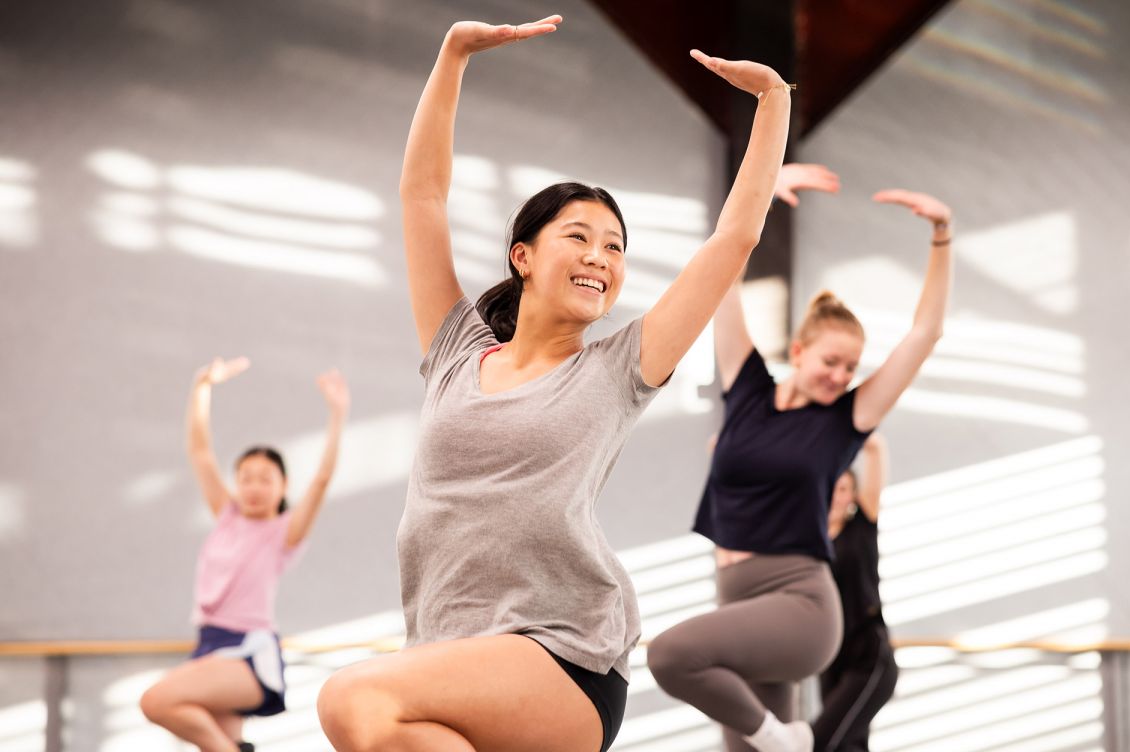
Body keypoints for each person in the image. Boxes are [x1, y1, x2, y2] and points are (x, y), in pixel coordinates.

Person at [315, 13, 793, 752]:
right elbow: (422, 199)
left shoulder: (616, 370)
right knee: (374, 724)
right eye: (578, 236)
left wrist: (774, 106)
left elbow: (735, 239)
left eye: (615, 247)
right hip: (447, 654)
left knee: (352, 696)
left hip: (562, 658)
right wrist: (452, 58)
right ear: (524, 256)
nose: (601, 256)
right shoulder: (455, 352)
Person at [646, 163, 953, 752]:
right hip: (736, 597)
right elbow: (719, 277)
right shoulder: (748, 390)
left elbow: (925, 334)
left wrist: (942, 236)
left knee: (672, 655)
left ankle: (791, 741)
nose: (842, 376)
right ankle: (782, 741)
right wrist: (756, 198)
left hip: (800, 605)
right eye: (830, 361)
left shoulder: (845, 421)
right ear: (799, 349)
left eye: (851, 367)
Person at [140, 357, 349, 752]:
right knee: (216, 741)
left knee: (157, 701)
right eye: (246, 478)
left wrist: (337, 414)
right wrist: (202, 387)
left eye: (265, 479)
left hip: (249, 653)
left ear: (283, 485)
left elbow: (321, 480)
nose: (254, 487)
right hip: (208, 642)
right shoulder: (227, 516)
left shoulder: (283, 533)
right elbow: (201, 453)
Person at [814, 433, 897, 751]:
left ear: (852, 496)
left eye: (844, 488)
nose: (836, 495)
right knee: (850, 746)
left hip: (868, 655)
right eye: (831, 487)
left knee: (820, 743)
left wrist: (834, 423)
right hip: (830, 657)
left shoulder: (861, 526)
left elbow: (875, 448)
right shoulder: (809, 539)